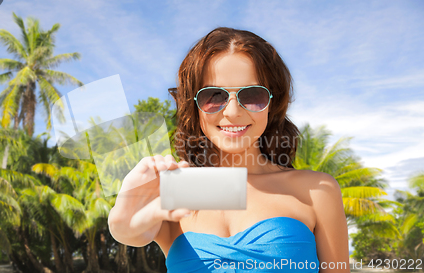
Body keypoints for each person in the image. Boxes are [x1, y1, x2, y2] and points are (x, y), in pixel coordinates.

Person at [108, 27, 350, 272]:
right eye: (214, 96)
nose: (233, 112)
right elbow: (131, 233)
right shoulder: (175, 190)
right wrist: (121, 217)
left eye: (253, 94)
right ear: (194, 106)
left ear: (272, 103)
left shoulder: (316, 191)